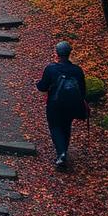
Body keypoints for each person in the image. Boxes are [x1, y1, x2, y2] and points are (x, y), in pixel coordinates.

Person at [36, 41, 87, 170]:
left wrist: (38, 83)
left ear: (57, 54)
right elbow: (83, 90)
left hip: (54, 104)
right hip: (71, 105)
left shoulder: (51, 69)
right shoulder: (77, 70)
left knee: (55, 127)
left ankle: (61, 153)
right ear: (69, 54)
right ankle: (63, 151)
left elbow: (43, 87)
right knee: (66, 126)